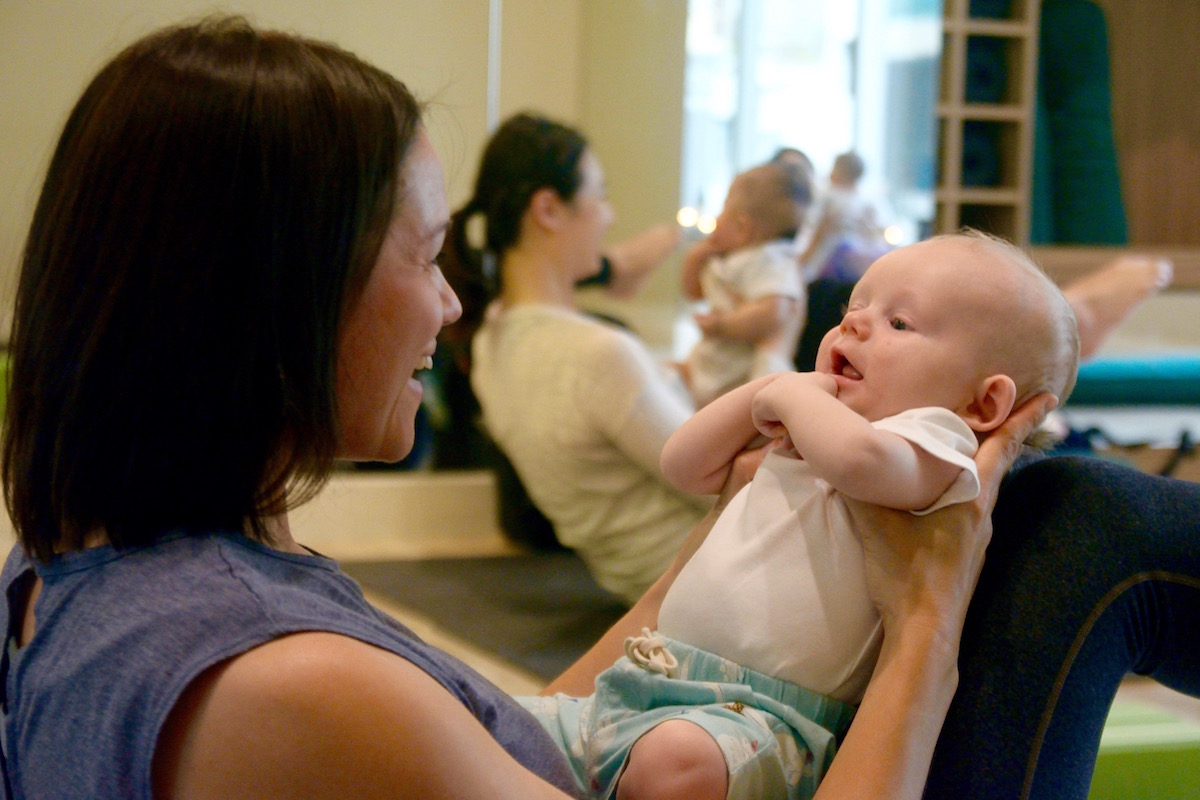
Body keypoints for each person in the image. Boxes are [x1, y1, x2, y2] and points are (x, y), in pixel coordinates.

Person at [3, 17, 1198, 800]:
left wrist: (734, 528)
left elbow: (529, 733)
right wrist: (926, 625)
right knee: (1081, 522)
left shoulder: (66, 575)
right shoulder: (286, 688)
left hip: (680, 671)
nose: (451, 307)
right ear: (283, 292)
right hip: (743, 723)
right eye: (424, 257)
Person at [523, 231, 1080, 799]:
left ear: (983, 405)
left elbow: (860, 461)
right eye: (853, 310)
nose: (854, 325)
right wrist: (766, 389)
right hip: (645, 677)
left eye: (900, 324)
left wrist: (790, 398)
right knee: (497, 727)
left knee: (676, 762)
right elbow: (683, 465)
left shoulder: (935, 442)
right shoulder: (819, 416)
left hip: (761, 718)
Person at [439, 112, 713, 603]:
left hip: (650, 592)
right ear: (547, 209)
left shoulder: (488, 344)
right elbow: (720, 488)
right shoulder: (598, 354)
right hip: (715, 588)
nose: (608, 215)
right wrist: (776, 349)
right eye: (600, 194)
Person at [676, 160, 813, 407]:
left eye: (722, 210)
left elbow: (774, 312)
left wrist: (722, 326)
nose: (716, 218)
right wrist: (695, 259)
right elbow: (694, 292)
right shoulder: (726, 258)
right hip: (715, 360)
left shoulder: (772, 259)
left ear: (742, 228)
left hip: (747, 371)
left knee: (752, 403)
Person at [796, 150, 891, 284]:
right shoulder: (827, 196)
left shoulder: (866, 202)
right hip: (826, 264)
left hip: (846, 266)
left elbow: (879, 232)